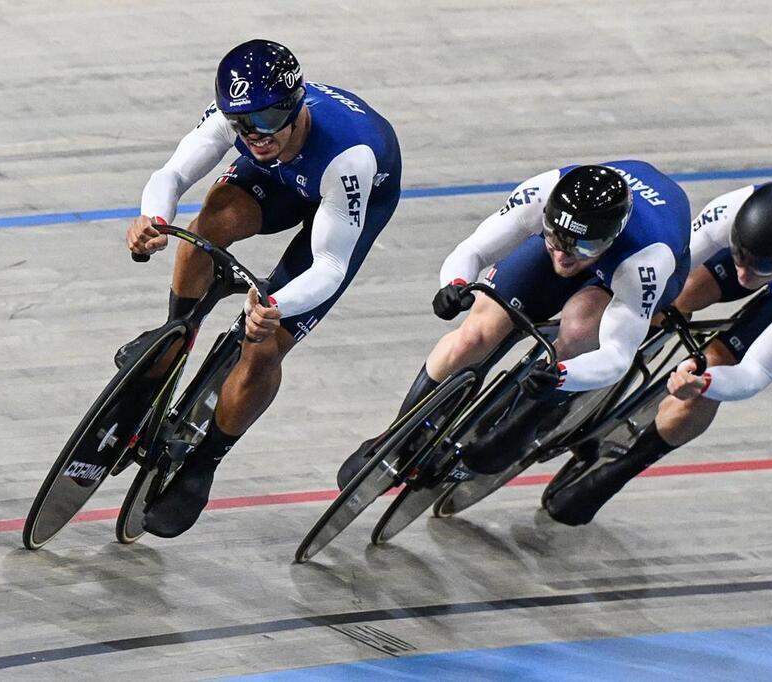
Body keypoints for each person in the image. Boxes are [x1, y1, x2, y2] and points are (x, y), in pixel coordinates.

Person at [122, 39, 402, 537]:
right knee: (207, 224)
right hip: (283, 179)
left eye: (268, 119)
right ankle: (175, 338)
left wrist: (275, 304)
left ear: (295, 105)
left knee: (265, 344)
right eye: (242, 121)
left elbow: (331, 265)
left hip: (340, 200)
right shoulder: (243, 121)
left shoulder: (351, 157)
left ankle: (205, 462)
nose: (254, 134)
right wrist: (154, 221)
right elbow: (172, 174)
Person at [337, 161, 692, 488]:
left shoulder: (645, 261)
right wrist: (455, 284)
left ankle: (532, 415)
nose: (564, 255)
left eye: (581, 246)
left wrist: (564, 375)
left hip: (626, 271)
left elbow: (617, 354)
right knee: (475, 334)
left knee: (580, 327)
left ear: (609, 237)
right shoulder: (541, 194)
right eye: (555, 237)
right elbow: (475, 249)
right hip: (595, 244)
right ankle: (398, 433)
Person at [544, 181, 772, 525]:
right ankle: (603, 379)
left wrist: (704, 382)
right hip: (765, 247)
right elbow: (669, 267)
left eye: (758, 270)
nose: (745, 275)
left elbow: (754, 374)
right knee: (677, 293)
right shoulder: (730, 211)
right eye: (739, 258)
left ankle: (623, 467)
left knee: (718, 360)